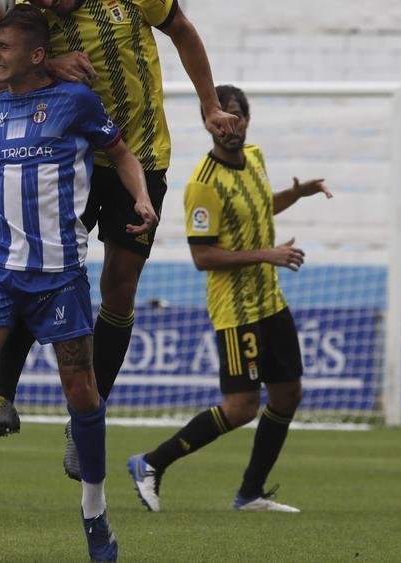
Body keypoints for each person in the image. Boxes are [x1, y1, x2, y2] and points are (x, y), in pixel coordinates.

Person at [0, 0, 236, 482]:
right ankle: (2, 395)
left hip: (137, 159)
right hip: (68, 161)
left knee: (118, 288)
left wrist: (209, 105)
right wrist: (51, 69)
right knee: (36, 271)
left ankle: (85, 413)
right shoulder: (33, 22)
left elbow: (184, 31)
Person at [0, 6, 157, 562]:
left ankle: (96, 515)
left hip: (57, 275)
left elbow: (121, 153)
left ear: (33, 54)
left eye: (2, 45)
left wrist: (143, 198)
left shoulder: (76, 102)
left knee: (82, 393)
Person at [126, 85, 332, 513]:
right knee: (241, 407)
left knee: (288, 393)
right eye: (220, 117)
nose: (229, 124)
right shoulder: (203, 185)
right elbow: (203, 256)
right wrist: (268, 254)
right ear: (208, 123)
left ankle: (250, 493)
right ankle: (151, 463)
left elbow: (257, 207)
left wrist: (295, 195)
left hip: (270, 300)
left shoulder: (255, 157)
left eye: (236, 116)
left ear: (247, 120)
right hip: (236, 311)